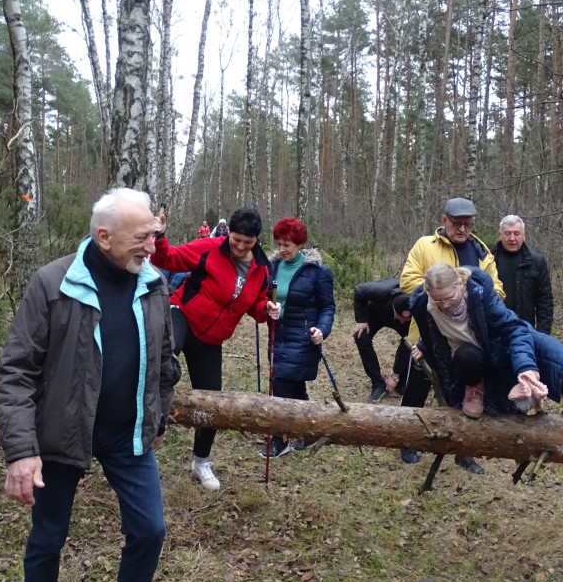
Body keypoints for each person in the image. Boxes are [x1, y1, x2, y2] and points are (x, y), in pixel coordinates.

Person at [0, 188, 180, 582]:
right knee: (48, 536)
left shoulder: (154, 283)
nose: (152, 247)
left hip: (127, 437)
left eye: (153, 235)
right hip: (62, 434)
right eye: (141, 238)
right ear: (103, 237)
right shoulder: (52, 283)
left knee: (150, 530)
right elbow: (15, 372)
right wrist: (22, 452)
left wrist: (157, 418)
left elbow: (165, 361)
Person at [150, 205, 279, 490]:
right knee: (164, 361)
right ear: (228, 233)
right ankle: (148, 435)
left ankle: (200, 461)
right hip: (182, 313)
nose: (240, 247)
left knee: (212, 402)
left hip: (211, 338)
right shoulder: (209, 247)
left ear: (256, 240)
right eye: (236, 240)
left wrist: (267, 308)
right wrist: (160, 237)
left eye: (247, 242)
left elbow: (255, 308)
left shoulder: (262, 269)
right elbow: (167, 258)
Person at [409, 262, 563, 427]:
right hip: (470, 360)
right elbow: (433, 333)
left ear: (460, 284)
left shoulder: (480, 294)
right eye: (437, 300)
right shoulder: (425, 305)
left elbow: (513, 329)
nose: (444, 305)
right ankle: (475, 389)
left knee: (546, 347)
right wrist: (424, 346)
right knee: (467, 355)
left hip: (496, 347)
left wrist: (526, 368)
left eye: (449, 298)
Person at [397, 196, 504, 470]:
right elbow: (408, 281)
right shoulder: (425, 246)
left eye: (468, 224)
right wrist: (442, 294)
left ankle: (463, 450)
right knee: (416, 391)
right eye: (458, 223)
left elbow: (498, 289)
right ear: (444, 221)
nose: (463, 229)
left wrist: (471, 298)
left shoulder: (481, 251)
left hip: (467, 341)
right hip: (426, 337)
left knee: (466, 394)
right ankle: (407, 441)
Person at [261, 217, 336, 457]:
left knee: (281, 383)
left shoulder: (318, 272)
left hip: (303, 338)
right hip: (277, 334)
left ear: (300, 245)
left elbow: (327, 307)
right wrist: (266, 306)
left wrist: (322, 330)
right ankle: (307, 431)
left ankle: (279, 439)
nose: (281, 249)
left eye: (287, 245)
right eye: (279, 244)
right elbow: (261, 296)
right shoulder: (271, 267)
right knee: (293, 384)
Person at [351, 278, 412, 402]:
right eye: (400, 318)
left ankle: (402, 381)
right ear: (395, 310)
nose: (401, 321)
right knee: (361, 337)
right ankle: (378, 383)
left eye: (405, 320)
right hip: (376, 314)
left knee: (410, 344)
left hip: (405, 321)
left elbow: (407, 345)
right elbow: (359, 291)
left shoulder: (416, 304)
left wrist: (395, 376)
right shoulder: (380, 291)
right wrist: (361, 321)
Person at [493, 215, 554, 333]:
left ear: (524, 235)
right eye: (507, 233)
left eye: (516, 233)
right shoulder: (489, 261)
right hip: (495, 332)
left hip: (526, 331)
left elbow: (545, 302)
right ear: (500, 235)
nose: (512, 238)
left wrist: (542, 335)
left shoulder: (536, 262)